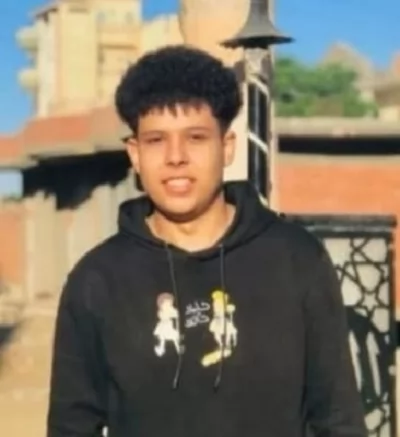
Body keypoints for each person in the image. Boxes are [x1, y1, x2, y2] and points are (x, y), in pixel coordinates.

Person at [47, 45, 367, 437]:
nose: (176, 157)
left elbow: (338, 418)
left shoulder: (296, 259)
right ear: (135, 153)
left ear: (226, 146)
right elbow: (71, 426)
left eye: (196, 137)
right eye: (156, 140)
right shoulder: (96, 280)